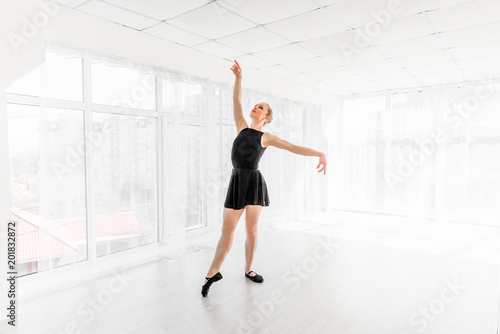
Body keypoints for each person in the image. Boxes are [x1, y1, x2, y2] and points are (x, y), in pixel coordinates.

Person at [201, 60, 327, 297]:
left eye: (261, 108)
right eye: (256, 105)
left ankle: (248, 270)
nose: (255, 108)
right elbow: (236, 101)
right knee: (226, 229)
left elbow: (292, 147)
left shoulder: (266, 136)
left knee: (251, 231)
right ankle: (213, 273)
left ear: (267, 117)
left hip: (254, 183)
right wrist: (239, 78)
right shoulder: (241, 127)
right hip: (236, 181)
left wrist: (319, 153)